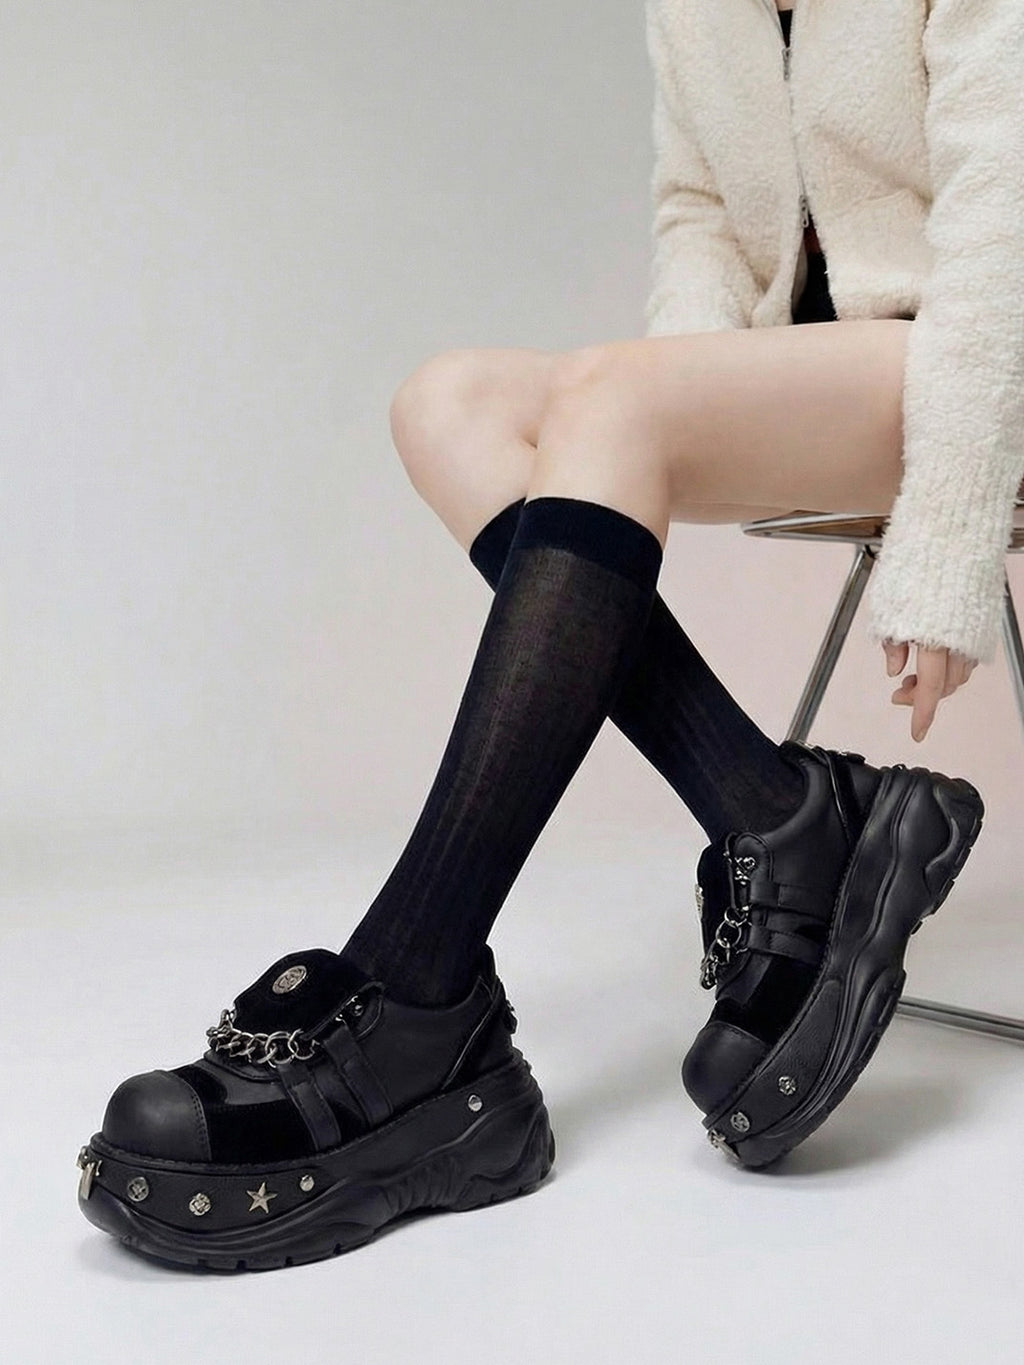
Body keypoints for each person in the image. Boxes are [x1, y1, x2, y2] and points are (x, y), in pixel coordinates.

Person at [77, 0, 1019, 1268]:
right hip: (825, 375)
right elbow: (700, 213)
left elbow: (1003, 225)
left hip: (983, 361)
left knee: (609, 401)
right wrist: (674, 410)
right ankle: (782, 818)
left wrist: (946, 542)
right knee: (449, 404)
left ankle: (416, 992)